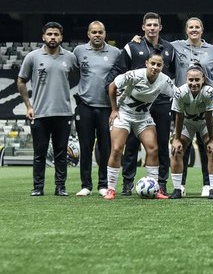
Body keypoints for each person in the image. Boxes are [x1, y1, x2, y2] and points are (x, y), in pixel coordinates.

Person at [133, 16, 213, 197]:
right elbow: (155, 42)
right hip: (183, 102)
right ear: (186, 30)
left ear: (202, 30)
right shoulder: (175, 46)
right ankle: (180, 187)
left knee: (207, 148)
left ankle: (208, 186)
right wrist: (138, 41)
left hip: (205, 103)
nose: (194, 30)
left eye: (197, 27)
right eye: (190, 27)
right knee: (180, 147)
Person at [107, 12, 176, 196]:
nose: (155, 67)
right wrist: (114, 109)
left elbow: (177, 94)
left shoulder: (167, 60)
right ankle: (117, 187)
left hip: (151, 110)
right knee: (121, 148)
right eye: (149, 25)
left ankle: (156, 187)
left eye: (156, 25)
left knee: (155, 148)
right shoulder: (133, 54)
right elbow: (113, 83)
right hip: (127, 112)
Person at [17, 22, 78, 196]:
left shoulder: (70, 57)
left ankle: (60, 187)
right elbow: (21, 80)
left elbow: (83, 75)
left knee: (61, 154)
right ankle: (38, 188)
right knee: (39, 153)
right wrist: (28, 105)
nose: (53, 37)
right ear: (43, 36)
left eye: (56, 34)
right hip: (40, 113)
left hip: (64, 112)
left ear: (61, 37)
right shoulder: (33, 57)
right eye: (49, 34)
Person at [72, 21, 121, 196]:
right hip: (85, 106)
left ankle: (103, 184)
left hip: (107, 108)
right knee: (85, 146)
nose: (97, 35)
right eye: (94, 32)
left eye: (100, 32)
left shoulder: (115, 53)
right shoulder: (79, 51)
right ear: (88, 34)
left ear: (105, 33)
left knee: (105, 147)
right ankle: (86, 185)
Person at [169, 65, 213, 199]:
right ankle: (177, 189)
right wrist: (176, 139)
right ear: (186, 79)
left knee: (212, 149)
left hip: (205, 122)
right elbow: (178, 116)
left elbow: (209, 116)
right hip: (187, 122)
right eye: (191, 80)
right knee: (177, 150)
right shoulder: (180, 92)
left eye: (197, 80)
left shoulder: (209, 91)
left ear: (203, 79)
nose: (194, 83)